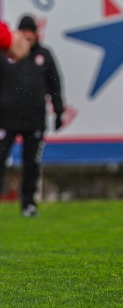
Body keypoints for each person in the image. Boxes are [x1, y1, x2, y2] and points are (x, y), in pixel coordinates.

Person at [0, 15, 65, 217]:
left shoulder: (44, 55)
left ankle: (28, 204)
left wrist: (58, 111)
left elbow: (55, 85)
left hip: (34, 119)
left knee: (31, 165)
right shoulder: (4, 54)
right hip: (6, 120)